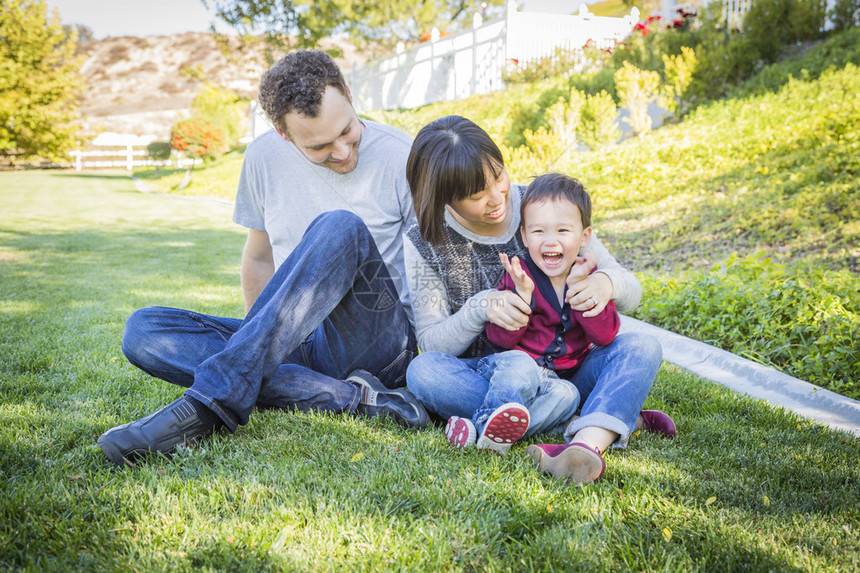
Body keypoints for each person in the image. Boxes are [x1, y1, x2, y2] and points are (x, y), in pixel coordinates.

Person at [98, 50, 429, 468]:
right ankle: (358, 400)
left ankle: (206, 406)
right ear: (283, 134)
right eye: (321, 145)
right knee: (144, 331)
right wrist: (260, 347)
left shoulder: (405, 155)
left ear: (348, 93)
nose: (343, 151)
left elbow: (433, 268)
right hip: (297, 335)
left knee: (340, 227)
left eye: (347, 131)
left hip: (378, 342)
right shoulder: (262, 159)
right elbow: (258, 257)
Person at [403, 115, 675, 484]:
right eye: (475, 195)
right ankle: (587, 417)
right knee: (423, 371)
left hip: (572, 371)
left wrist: (606, 283)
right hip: (495, 376)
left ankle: (557, 428)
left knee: (641, 346)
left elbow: (631, 290)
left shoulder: (545, 205)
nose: (497, 198)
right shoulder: (423, 241)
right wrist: (480, 309)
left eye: (498, 177)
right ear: (443, 197)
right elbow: (431, 342)